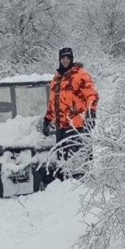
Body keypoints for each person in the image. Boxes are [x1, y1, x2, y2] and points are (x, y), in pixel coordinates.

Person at [42, 47, 99, 180]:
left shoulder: (81, 74)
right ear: (59, 59)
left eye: (68, 57)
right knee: (62, 162)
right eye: (63, 58)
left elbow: (92, 96)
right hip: (60, 127)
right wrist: (47, 119)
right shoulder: (56, 78)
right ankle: (63, 191)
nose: (65, 60)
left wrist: (91, 112)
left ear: (71, 58)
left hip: (77, 126)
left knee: (76, 163)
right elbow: (53, 101)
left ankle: (79, 191)